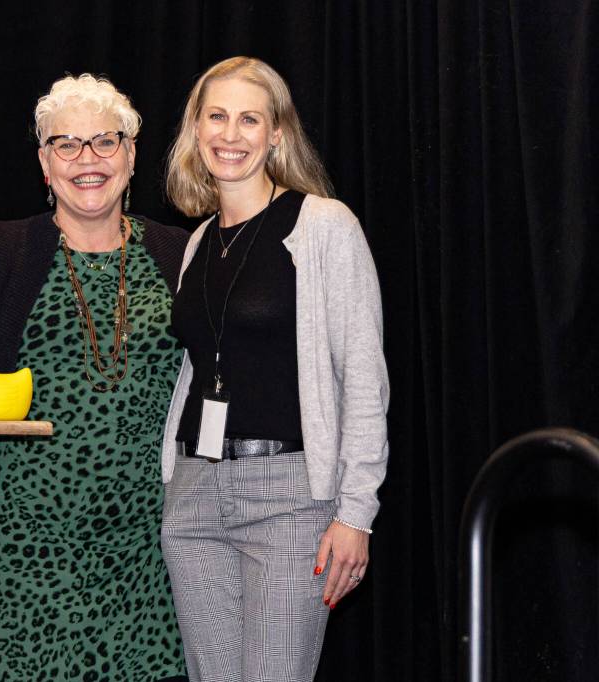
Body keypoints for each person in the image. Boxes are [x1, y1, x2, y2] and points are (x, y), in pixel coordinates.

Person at [0, 74, 188, 681]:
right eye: (67, 145)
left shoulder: (182, 255)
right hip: (19, 548)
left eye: (105, 142)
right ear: (44, 164)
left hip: (146, 552)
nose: (88, 160)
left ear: (131, 155)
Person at [161, 57, 390, 682]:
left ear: (276, 135)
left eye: (249, 119)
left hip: (291, 499)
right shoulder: (197, 240)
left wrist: (354, 514)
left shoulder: (323, 226)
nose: (230, 135)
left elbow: (364, 381)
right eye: (217, 116)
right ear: (195, 128)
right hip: (193, 496)